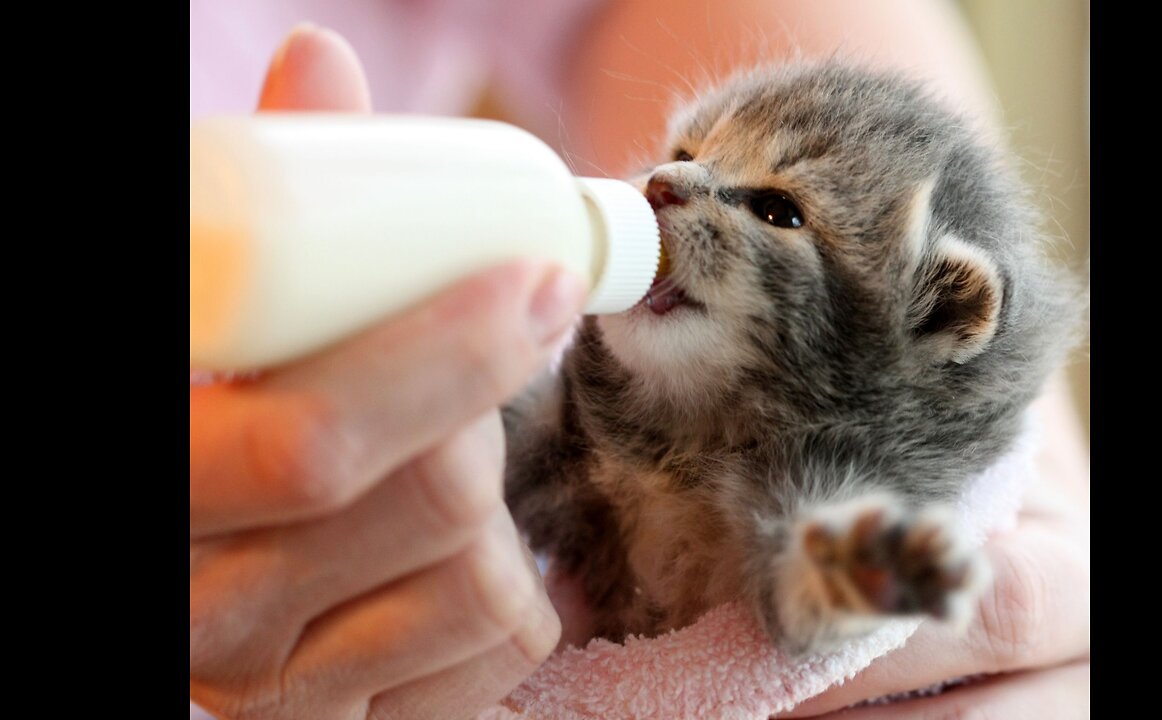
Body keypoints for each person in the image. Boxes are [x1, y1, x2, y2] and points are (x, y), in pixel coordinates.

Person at [190, 3, 1089, 717]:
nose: (671, 186)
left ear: (940, 312)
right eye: (686, 152)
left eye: (776, 210)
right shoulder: (581, 415)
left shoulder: (832, 475)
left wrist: (1002, 543)